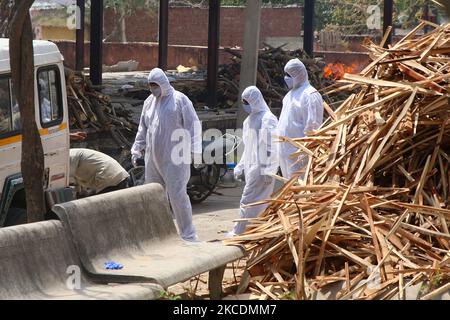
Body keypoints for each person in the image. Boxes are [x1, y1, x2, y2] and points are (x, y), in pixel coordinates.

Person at [130, 68, 202, 242]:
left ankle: (188, 235)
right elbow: (143, 127)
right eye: (151, 85)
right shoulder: (149, 102)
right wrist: (137, 146)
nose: (153, 89)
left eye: (155, 85)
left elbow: (193, 126)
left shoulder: (179, 100)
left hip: (175, 158)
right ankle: (159, 233)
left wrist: (196, 152)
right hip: (153, 158)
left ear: (163, 83)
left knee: (177, 196)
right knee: (153, 196)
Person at [228, 86, 279, 236]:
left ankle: (239, 232)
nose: (245, 105)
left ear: (255, 100)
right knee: (260, 202)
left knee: (247, 200)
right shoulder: (248, 121)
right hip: (252, 168)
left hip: (261, 167)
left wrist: (269, 169)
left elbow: (272, 146)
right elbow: (248, 148)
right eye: (243, 102)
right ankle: (258, 231)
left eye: (247, 101)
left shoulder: (267, 119)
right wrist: (240, 166)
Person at [278, 58, 324, 179]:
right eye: (285, 74)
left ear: (298, 75)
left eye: (289, 75)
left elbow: (313, 126)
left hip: (299, 154)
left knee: (300, 190)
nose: (286, 78)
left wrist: (304, 151)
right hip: (285, 151)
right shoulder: (289, 95)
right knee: (288, 191)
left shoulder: (310, 95)